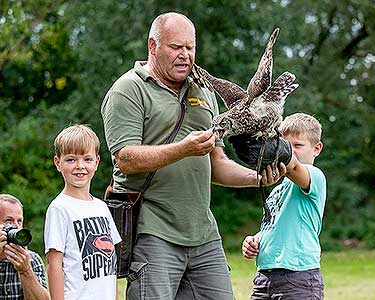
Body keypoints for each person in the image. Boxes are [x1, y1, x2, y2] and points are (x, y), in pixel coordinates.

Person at [101, 12, 288, 300]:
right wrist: (183, 149)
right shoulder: (129, 89)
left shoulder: (203, 89)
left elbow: (218, 164)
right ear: (153, 45)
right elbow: (124, 158)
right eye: (176, 47)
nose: (185, 55)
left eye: (190, 48)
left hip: (204, 234)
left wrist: (257, 178)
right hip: (152, 232)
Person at [241, 113, 326, 299]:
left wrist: (279, 151)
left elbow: (294, 167)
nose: (290, 151)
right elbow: (274, 226)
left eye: (297, 145)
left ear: (316, 149)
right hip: (265, 277)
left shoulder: (314, 176)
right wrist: (255, 240)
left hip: (298, 278)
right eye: (285, 145)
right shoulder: (277, 190)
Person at [44, 125, 121, 300]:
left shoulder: (102, 207)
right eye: (71, 160)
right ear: (58, 163)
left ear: (97, 162)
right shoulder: (59, 208)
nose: (80, 166)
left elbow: (111, 264)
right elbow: (54, 264)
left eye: (87, 159)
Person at [0, 194, 50, 300]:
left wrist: (25, 271)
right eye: (8, 221)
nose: (16, 227)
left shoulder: (32, 259)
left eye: (19, 221)